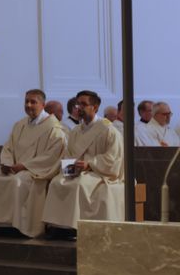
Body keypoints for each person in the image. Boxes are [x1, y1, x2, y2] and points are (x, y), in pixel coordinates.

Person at [0, 90, 68, 238]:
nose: (29, 105)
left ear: (42, 104)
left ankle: (17, 226)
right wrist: (7, 163)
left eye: (33, 102)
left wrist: (24, 166)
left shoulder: (54, 129)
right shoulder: (20, 125)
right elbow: (8, 147)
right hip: (14, 168)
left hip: (35, 171)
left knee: (17, 182)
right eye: (26, 101)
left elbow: (51, 156)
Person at [41, 90, 124, 239]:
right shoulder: (75, 132)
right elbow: (68, 155)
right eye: (78, 104)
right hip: (77, 171)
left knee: (79, 185)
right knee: (56, 182)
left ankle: (74, 229)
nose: (79, 107)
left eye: (84, 104)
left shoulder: (109, 130)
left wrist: (89, 164)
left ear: (95, 107)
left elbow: (113, 158)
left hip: (99, 172)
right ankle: (57, 226)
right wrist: (70, 168)